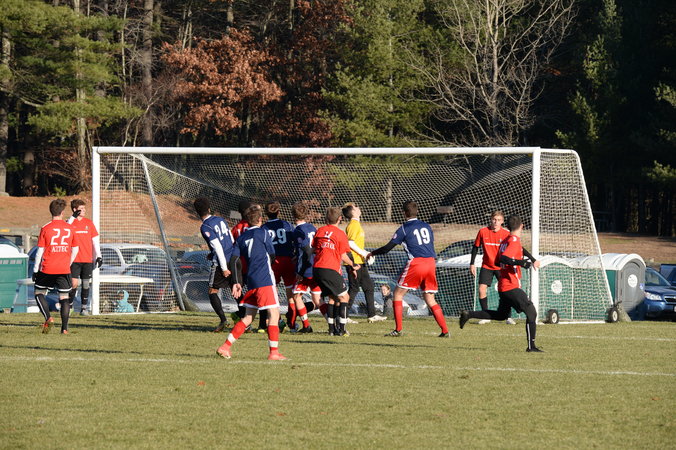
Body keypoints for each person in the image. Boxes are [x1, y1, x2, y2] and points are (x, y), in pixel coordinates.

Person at [459, 215, 543, 352]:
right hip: (510, 285)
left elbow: (498, 261)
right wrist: (520, 262)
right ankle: (531, 347)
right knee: (531, 312)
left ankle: (469, 314)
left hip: (504, 285)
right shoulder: (513, 241)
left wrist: (529, 260)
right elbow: (504, 258)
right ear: (522, 226)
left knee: (501, 315)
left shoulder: (505, 241)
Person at [367, 201, 449, 338]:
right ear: (417, 212)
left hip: (416, 263)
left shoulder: (404, 228)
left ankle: (398, 329)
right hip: (431, 263)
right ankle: (445, 331)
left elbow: (387, 248)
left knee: (398, 294)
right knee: (430, 298)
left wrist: (372, 253)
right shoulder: (426, 226)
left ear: (404, 213)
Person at [217, 205, 286, 360]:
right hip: (265, 280)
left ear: (247, 221)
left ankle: (225, 347)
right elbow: (272, 254)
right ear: (260, 219)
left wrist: (236, 281)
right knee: (274, 314)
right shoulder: (263, 232)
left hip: (251, 281)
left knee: (248, 317)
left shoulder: (241, 238)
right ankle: (274, 352)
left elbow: (234, 260)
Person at [469, 210, 540, 325]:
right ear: (490, 220)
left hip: (501, 267)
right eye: (494, 219)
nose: (496, 222)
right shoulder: (483, 232)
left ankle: (508, 317)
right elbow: (475, 247)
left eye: (498, 220)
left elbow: (519, 248)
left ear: (502, 222)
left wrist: (532, 259)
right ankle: (485, 315)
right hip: (487, 265)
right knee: (482, 289)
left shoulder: (506, 234)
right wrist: (472, 263)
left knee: (506, 291)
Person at [32, 199, 80, 334]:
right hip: (63, 268)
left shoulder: (46, 228)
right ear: (62, 212)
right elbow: (76, 249)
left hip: (47, 267)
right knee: (64, 297)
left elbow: (40, 251)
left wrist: (35, 270)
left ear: (51, 211)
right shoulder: (70, 228)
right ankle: (64, 329)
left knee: (39, 293)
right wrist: (68, 263)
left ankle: (48, 318)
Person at [312, 207, 359, 336]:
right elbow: (343, 255)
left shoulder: (320, 231)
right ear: (340, 219)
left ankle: (332, 329)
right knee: (345, 297)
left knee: (332, 298)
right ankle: (342, 330)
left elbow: (314, 249)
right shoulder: (340, 234)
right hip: (329, 269)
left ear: (326, 218)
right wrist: (353, 265)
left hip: (317, 269)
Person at [194, 197, 236, 332]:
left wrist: (223, 268)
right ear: (209, 209)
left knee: (212, 290)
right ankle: (246, 322)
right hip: (233, 258)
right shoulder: (220, 219)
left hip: (221, 262)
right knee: (236, 288)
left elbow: (218, 247)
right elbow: (230, 238)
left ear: (197, 212)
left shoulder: (205, 226)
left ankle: (223, 320)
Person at [342, 203, 386, 323]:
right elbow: (350, 243)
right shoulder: (353, 225)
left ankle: (371, 315)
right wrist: (364, 253)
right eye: (355, 207)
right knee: (354, 289)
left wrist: (365, 254)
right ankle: (343, 316)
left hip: (360, 261)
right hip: (354, 261)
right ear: (353, 212)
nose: (358, 208)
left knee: (369, 287)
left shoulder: (357, 224)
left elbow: (356, 244)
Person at [290, 201, 325, 333]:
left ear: (293, 215)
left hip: (305, 269)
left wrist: (300, 271)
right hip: (316, 265)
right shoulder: (312, 228)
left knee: (296, 296)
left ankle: (306, 325)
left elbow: (304, 252)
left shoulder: (298, 231)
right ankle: (332, 324)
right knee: (317, 299)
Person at [259, 201, 294, 332]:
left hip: (273, 262)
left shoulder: (263, 228)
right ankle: (292, 322)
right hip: (289, 260)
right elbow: (294, 240)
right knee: (291, 292)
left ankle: (277, 319)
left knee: (272, 292)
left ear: (265, 213)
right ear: (279, 212)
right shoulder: (287, 225)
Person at [66, 199, 102, 315]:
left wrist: (99, 256)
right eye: (81, 208)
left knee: (86, 284)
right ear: (75, 209)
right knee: (74, 284)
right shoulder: (70, 222)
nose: (84, 210)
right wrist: (72, 217)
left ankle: (83, 308)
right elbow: (66, 228)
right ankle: (69, 306)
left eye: (85, 208)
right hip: (74, 260)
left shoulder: (89, 223)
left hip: (87, 259)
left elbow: (95, 241)